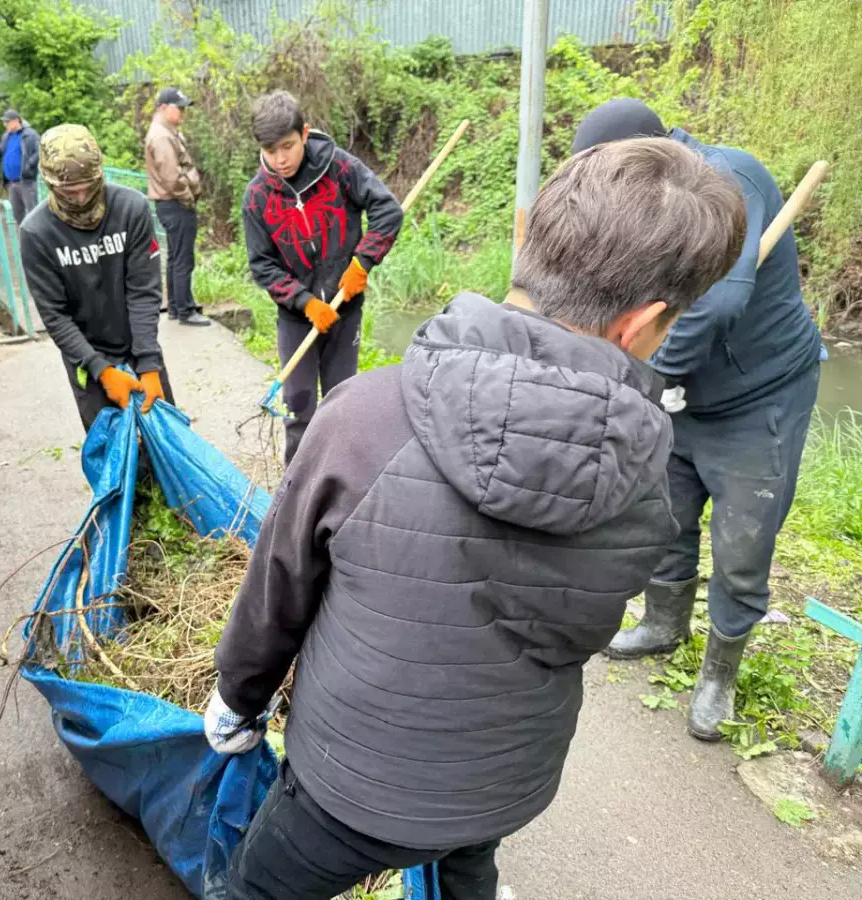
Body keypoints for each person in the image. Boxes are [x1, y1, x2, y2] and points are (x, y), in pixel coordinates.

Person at [205, 138, 748, 900]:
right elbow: (579, 631)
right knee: (466, 858)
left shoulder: (360, 417)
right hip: (505, 784)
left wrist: (238, 697)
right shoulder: (648, 477)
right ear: (645, 322)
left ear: (526, 236)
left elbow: (280, 588)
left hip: (346, 788)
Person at [572, 99, 823, 741]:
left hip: (759, 394)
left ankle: (720, 673)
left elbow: (716, 306)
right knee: (668, 510)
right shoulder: (634, 205)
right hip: (683, 392)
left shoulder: (725, 181)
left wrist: (652, 381)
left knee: (743, 540)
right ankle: (663, 623)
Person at [242, 90, 404, 465]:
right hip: (297, 319)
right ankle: (297, 491)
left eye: (287, 146)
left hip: (344, 309)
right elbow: (263, 265)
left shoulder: (340, 168)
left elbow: (387, 210)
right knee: (300, 409)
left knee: (341, 403)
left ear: (305, 133)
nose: (280, 159)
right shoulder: (256, 198)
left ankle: (341, 482)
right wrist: (305, 301)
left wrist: (363, 262)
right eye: (270, 150)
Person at [20, 124, 174, 432]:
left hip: (138, 347)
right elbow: (55, 316)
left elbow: (143, 291)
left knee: (168, 445)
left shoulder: (131, 209)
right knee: (114, 460)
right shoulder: (36, 233)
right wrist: (101, 371)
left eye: (87, 187)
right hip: (87, 360)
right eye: (68, 191)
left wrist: (148, 363)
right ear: (50, 184)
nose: (79, 197)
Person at [146, 87, 211, 326]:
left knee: (175, 257)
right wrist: (188, 197)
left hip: (169, 203)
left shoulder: (166, 131)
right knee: (183, 259)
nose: (183, 112)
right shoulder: (162, 136)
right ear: (164, 108)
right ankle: (185, 310)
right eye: (179, 107)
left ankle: (175, 306)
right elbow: (172, 178)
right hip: (175, 203)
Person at [0, 110, 40, 225]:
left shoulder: (30, 134)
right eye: (4, 122)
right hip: (11, 183)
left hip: (26, 182)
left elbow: (40, 151)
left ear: (16, 121)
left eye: (7, 122)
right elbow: (1, 152)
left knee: (33, 214)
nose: (4, 125)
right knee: (17, 216)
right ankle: (23, 242)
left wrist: (28, 165)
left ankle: (38, 242)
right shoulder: (6, 136)